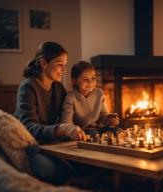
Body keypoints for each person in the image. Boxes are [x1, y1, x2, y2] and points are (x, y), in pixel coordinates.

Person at [15, 41, 85, 184]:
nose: (64, 69)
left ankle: (74, 175)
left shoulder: (58, 88)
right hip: (33, 146)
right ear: (43, 63)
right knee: (44, 166)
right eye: (60, 63)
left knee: (88, 156)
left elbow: (70, 115)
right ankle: (73, 176)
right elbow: (29, 127)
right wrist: (61, 129)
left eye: (65, 64)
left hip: (53, 145)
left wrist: (101, 117)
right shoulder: (27, 87)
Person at [61, 61, 120, 137]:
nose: (90, 82)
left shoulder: (99, 93)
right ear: (74, 81)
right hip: (82, 131)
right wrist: (73, 130)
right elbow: (66, 122)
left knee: (118, 131)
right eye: (85, 79)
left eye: (93, 78)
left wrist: (109, 120)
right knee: (94, 134)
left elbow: (103, 114)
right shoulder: (70, 98)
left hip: (99, 128)